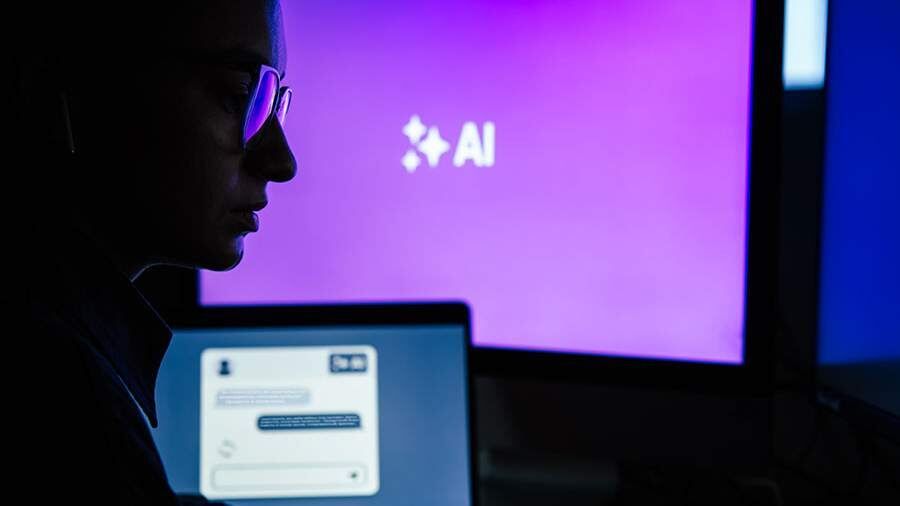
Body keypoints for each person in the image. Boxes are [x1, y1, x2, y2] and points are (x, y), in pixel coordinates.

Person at [5, 1, 297, 503]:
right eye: (240, 96)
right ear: (84, 88)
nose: (282, 160)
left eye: (275, 102)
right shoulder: (57, 394)